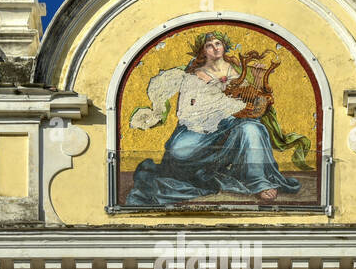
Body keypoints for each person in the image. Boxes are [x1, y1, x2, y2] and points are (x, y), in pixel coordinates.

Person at [126, 31, 302, 205]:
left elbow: (249, 101)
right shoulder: (194, 75)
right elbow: (187, 110)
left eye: (218, 44)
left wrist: (251, 101)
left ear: (224, 46)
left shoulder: (238, 71)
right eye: (209, 45)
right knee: (178, 150)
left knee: (252, 129)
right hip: (202, 127)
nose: (215, 48)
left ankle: (259, 182)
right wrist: (219, 106)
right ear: (203, 51)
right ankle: (208, 172)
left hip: (234, 123)